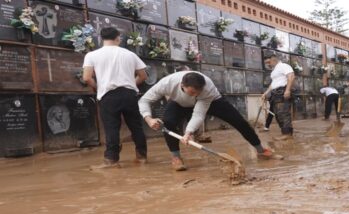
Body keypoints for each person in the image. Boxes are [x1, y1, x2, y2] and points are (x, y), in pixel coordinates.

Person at [138, 71, 274, 171]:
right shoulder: (167, 83)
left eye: (197, 93)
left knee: (239, 121)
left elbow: (198, 114)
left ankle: (260, 150)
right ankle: (176, 157)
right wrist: (148, 118)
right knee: (168, 122)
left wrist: (188, 132)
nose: (195, 95)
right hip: (179, 102)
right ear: (182, 85)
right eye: (191, 92)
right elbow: (144, 100)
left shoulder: (207, 89)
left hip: (213, 101)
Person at [82, 27, 148, 168]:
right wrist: (130, 84)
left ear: (101, 38)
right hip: (129, 95)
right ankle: (142, 156)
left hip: (108, 95)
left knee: (111, 127)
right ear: (118, 38)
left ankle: (112, 160)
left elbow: (87, 78)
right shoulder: (130, 54)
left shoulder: (92, 55)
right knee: (136, 126)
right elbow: (143, 76)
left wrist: (98, 87)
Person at [263, 52, 295, 140]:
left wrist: (288, 90)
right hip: (275, 93)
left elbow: (291, 76)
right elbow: (273, 83)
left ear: (274, 59)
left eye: (268, 62)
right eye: (266, 63)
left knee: (283, 113)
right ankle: (286, 133)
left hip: (282, 91)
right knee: (277, 114)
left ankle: (287, 133)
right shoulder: (274, 71)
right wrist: (266, 93)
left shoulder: (283, 66)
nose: (268, 65)